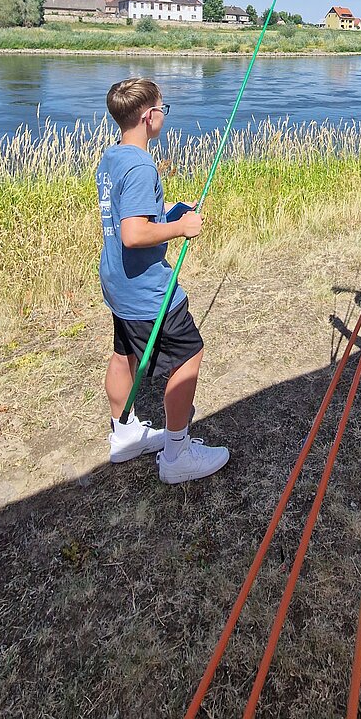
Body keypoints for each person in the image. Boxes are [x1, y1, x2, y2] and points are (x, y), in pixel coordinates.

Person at [96, 77, 229, 482]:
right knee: (189, 354)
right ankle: (176, 455)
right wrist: (182, 228)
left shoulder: (113, 156)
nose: (163, 115)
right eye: (162, 109)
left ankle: (124, 435)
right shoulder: (141, 165)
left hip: (118, 282)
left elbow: (129, 211)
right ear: (148, 116)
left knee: (124, 354)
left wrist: (169, 210)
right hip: (147, 290)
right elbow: (134, 233)